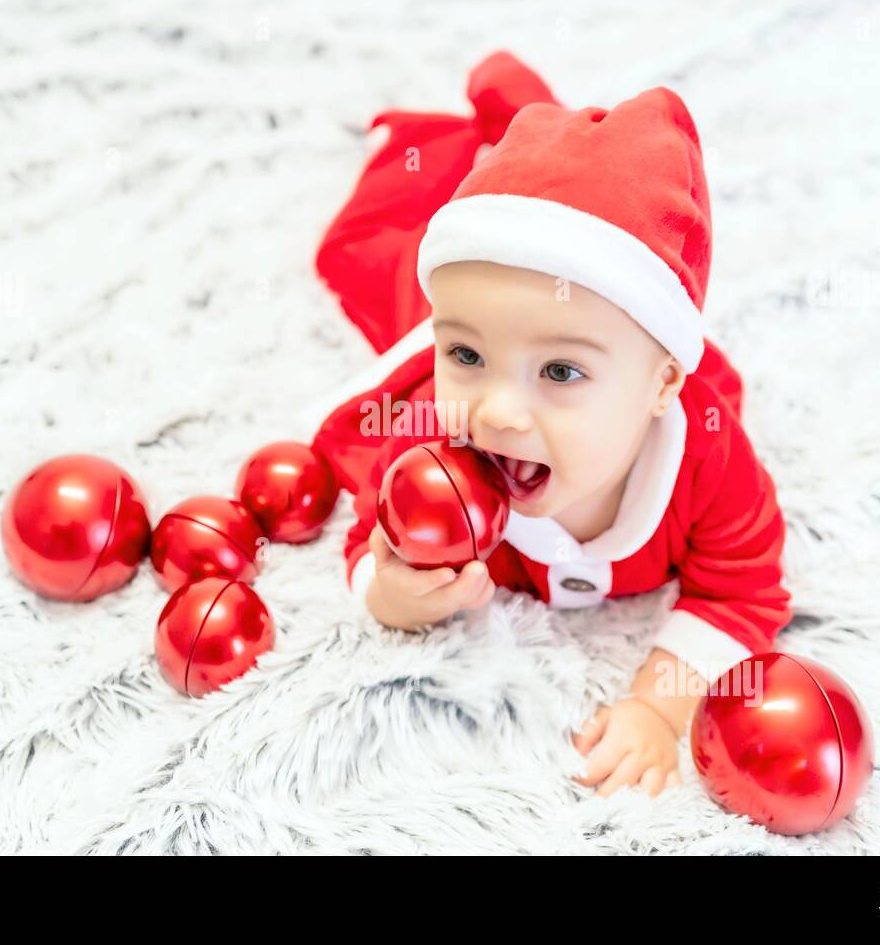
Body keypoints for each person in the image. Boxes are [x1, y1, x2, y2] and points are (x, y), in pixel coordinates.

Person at [306, 51, 791, 799]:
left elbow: (743, 591)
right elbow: (371, 530)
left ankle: (535, 135)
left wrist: (659, 708)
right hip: (465, 282)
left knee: (546, 258)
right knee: (368, 257)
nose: (496, 410)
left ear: (663, 383)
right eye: (464, 353)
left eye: (561, 372)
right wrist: (389, 592)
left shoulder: (711, 462)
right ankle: (487, 143)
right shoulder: (433, 441)